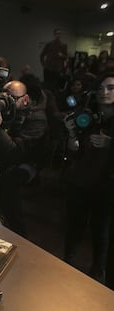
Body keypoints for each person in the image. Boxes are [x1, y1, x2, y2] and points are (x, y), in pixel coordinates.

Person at [0, 80, 48, 235]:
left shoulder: (37, 119)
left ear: (26, 100)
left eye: (12, 98)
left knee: (6, 183)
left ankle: (18, 235)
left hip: (26, 164)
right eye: (4, 96)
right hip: (0, 160)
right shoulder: (2, 111)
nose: (6, 101)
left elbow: (15, 154)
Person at [62, 72, 114, 284]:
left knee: (101, 231)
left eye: (111, 88)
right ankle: (65, 266)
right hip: (80, 181)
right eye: (101, 88)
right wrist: (72, 135)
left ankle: (98, 274)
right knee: (74, 227)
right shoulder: (87, 115)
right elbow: (73, 151)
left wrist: (110, 144)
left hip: (106, 185)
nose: (104, 92)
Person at [40, 28, 68, 92]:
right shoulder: (49, 44)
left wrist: (62, 55)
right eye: (57, 34)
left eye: (60, 34)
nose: (58, 35)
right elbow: (42, 55)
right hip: (48, 68)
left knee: (55, 87)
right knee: (46, 86)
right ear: (54, 34)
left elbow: (66, 57)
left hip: (57, 69)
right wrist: (44, 64)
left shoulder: (63, 45)